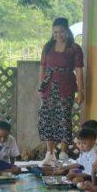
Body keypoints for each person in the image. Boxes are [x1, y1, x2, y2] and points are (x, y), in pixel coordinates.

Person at [37, 18, 85, 165]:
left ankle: (63, 153)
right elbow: (42, 67)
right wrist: (41, 87)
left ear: (67, 31)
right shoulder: (48, 47)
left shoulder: (74, 48)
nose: (58, 35)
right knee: (47, 118)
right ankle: (50, 153)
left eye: (61, 32)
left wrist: (81, 91)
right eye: (55, 32)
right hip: (48, 86)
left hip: (66, 86)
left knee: (64, 118)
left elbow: (79, 70)